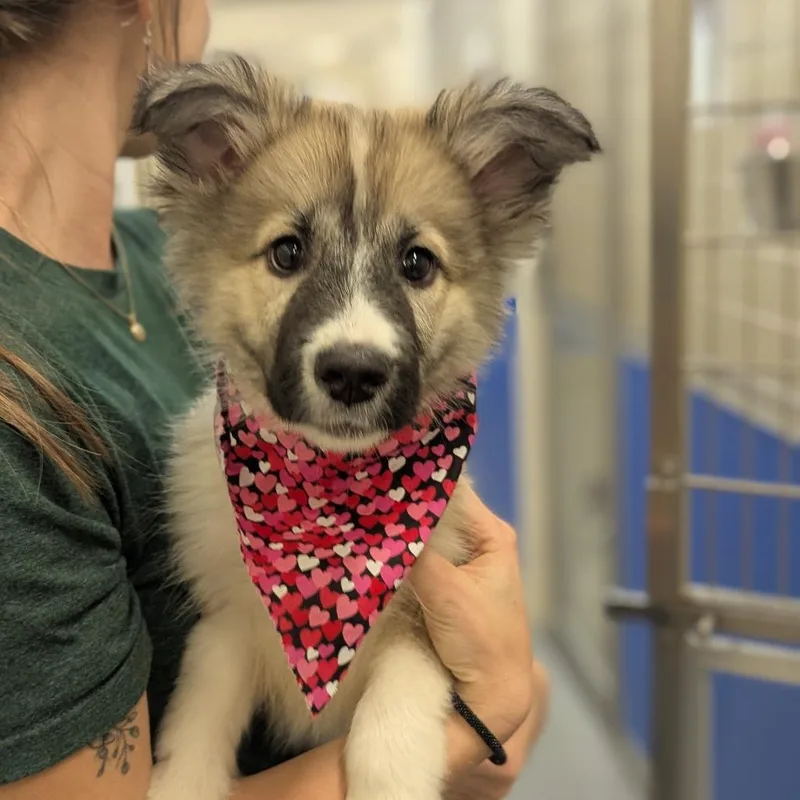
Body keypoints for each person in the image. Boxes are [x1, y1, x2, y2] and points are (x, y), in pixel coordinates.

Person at [0, 1, 548, 798]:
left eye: (417, 266)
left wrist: (500, 698)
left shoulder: (150, 251)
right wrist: (480, 721)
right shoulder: (23, 395)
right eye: (288, 254)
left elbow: (511, 695)